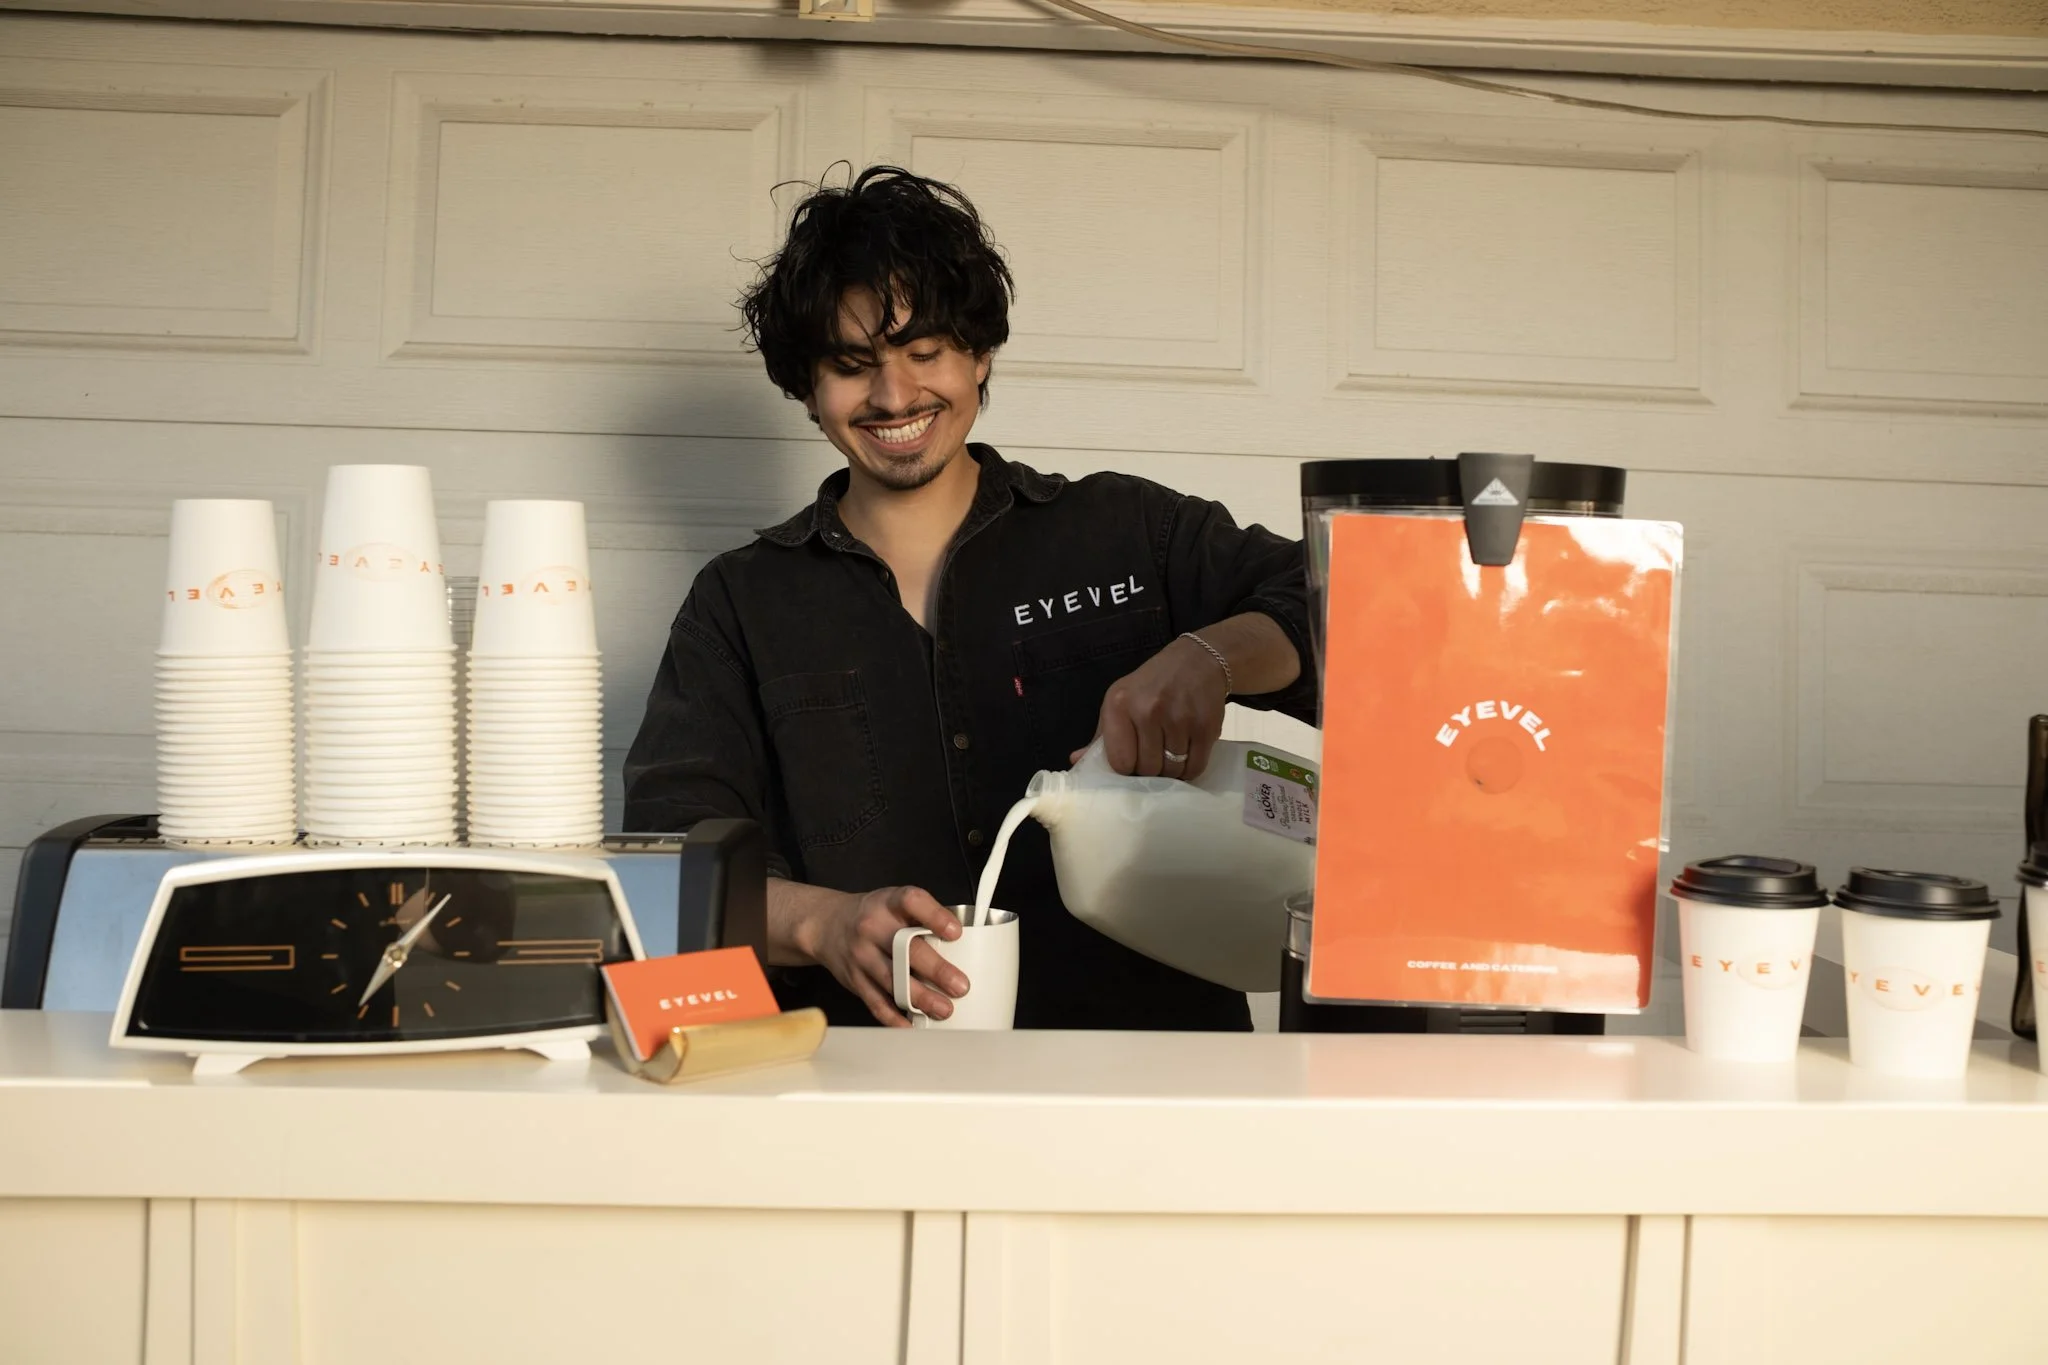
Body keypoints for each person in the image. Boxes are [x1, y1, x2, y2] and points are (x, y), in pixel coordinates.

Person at [623, 166, 1317, 1030]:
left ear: (980, 354)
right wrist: (824, 923)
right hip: (866, 1096)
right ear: (808, 387)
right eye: (851, 365)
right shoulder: (740, 604)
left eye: (926, 353)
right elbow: (665, 867)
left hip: (1153, 1085)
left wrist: (1211, 657)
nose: (894, 396)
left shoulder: (1125, 531)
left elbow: (1339, 602)